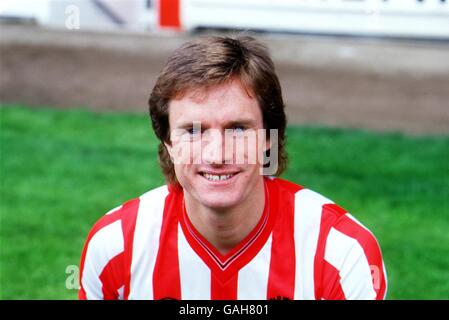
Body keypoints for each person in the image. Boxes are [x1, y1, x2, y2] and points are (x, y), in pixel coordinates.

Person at [78, 36, 387, 300]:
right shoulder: (115, 247)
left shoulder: (340, 253)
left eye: (238, 128)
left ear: (269, 138)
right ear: (168, 142)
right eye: (194, 131)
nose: (217, 154)